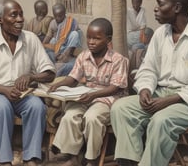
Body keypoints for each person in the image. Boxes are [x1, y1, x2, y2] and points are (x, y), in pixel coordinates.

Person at [110, 0, 188, 166]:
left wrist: (170, 100)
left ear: (177, 7)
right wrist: (145, 89)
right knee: (121, 108)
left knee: (161, 120)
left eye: (160, 4)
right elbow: (149, 67)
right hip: (162, 94)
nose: (155, 8)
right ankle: (129, 163)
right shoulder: (161, 33)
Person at [0, 0, 56, 166]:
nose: (20, 19)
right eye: (14, 15)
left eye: (21, 14)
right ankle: (5, 160)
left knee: (36, 106)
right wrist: (3, 90)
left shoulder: (31, 39)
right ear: (0, 20)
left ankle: (31, 158)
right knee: (2, 106)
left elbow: (50, 73)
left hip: (21, 95)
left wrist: (31, 77)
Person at [48, 18, 129, 166]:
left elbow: (115, 87)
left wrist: (93, 95)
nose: (91, 42)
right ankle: (72, 156)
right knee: (70, 115)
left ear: (108, 40)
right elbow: (73, 78)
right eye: (89, 37)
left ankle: (92, 158)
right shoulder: (84, 56)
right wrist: (59, 84)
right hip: (86, 96)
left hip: (108, 99)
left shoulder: (118, 60)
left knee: (92, 118)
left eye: (97, 38)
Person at [43, 3, 82, 76]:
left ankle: (66, 56)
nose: (58, 18)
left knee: (75, 34)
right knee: (52, 40)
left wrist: (66, 51)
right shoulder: (53, 23)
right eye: (56, 16)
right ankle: (57, 58)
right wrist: (43, 45)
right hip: (57, 47)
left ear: (64, 14)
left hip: (68, 47)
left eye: (60, 16)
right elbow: (47, 38)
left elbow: (77, 37)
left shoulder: (71, 22)